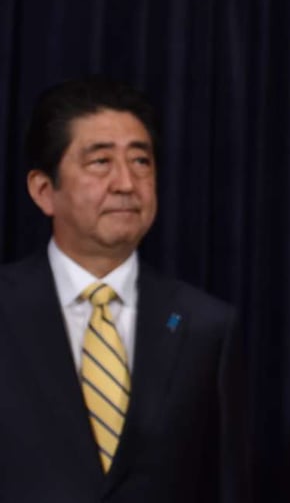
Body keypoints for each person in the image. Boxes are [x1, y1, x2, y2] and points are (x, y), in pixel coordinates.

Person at [0, 77, 247, 502]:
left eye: (141, 162)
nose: (126, 184)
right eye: (100, 162)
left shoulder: (205, 325)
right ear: (44, 190)